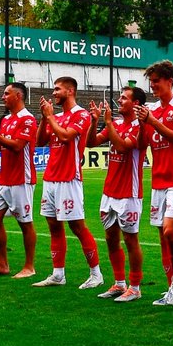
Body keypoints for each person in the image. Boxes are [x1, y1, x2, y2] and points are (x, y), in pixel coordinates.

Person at [32, 77, 104, 289]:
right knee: (53, 226)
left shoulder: (81, 114)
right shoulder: (58, 116)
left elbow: (65, 137)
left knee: (77, 226)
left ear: (70, 90)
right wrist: (45, 119)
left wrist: (50, 117)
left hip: (69, 179)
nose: (53, 93)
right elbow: (40, 141)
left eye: (57, 89)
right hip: (51, 178)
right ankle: (58, 274)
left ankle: (96, 274)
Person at [136, 60, 173, 306]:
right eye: (151, 81)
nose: (153, 85)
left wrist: (153, 122)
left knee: (170, 231)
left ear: (170, 80)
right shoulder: (151, 109)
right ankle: (171, 287)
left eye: (157, 80)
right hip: (158, 181)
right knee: (162, 236)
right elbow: (141, 146)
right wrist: (142, 125)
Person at [87, 87, 147, 302]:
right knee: (111, 238)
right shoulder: (118, 124)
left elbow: (122, 147)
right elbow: (91, 143)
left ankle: (136, 286)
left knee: (131, 240)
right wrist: (95, 121)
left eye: (124, 98)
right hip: (109, 191)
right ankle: (119, 283)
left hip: (128, 193)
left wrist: (109, 123)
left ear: (136, 104)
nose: (119, 100)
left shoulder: (140, 126)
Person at [0, 82, 38, 279]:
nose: (3, 97)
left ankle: (29, 266)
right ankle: (2, 264)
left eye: (6, 93)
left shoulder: (28, 119)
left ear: (18, 96)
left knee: (25, 223)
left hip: (22, 178)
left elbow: (17, 146)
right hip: (4, 178)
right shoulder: (6, 120)